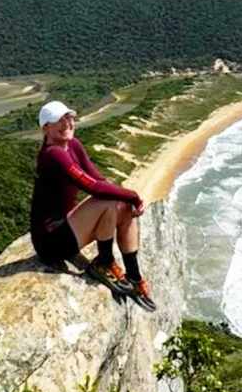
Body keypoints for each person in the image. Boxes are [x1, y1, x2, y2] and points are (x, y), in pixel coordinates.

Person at [29, 99, 156, 311]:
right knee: (108, 201)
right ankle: (104, 262)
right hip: (50, 242)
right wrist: (133, 195)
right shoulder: (53, 154)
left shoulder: (73, 145)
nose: (67, 123)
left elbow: (98, 179)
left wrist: (126, 201)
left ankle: (134, 276)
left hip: (68, 229)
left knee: (123, 208)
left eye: (69, 118)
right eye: (59, 121)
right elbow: (94, 188)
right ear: (46, 128)